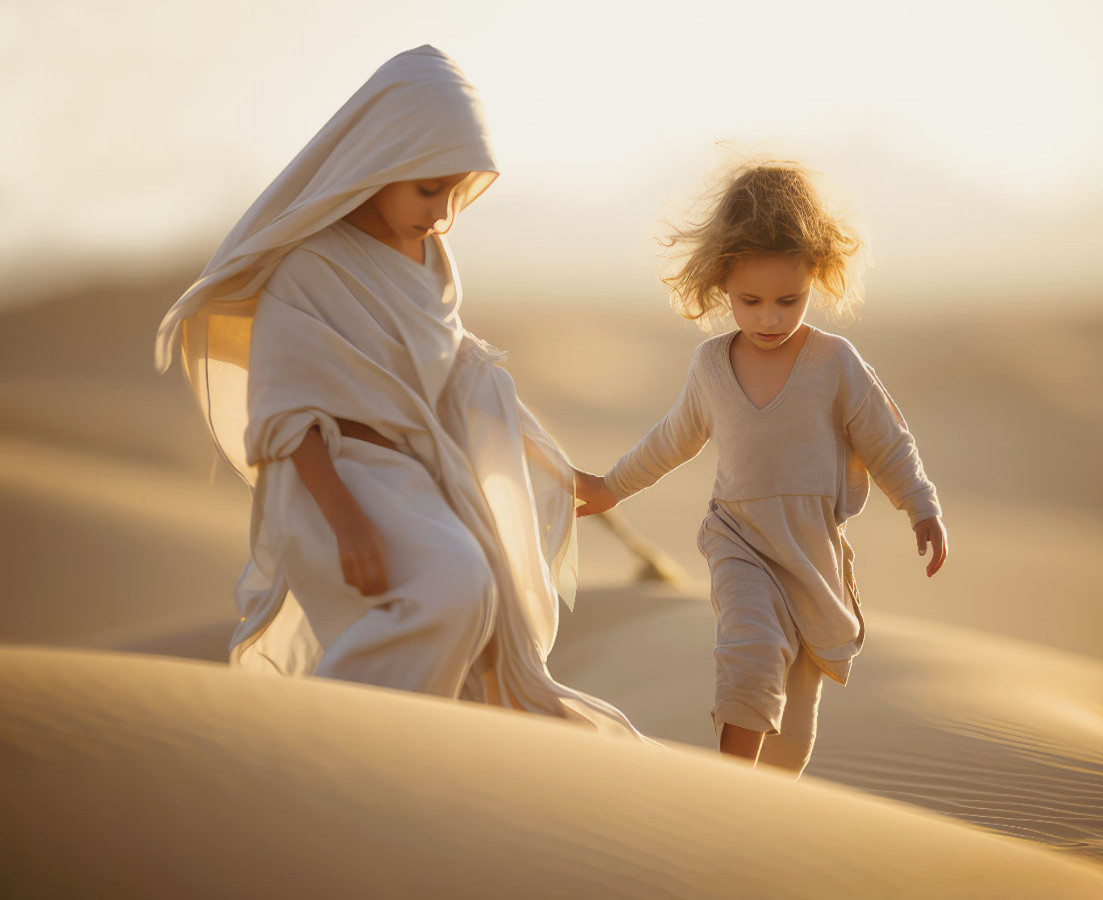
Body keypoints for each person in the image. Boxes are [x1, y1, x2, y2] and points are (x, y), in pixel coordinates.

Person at [155, 45, 639, 736]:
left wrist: (557, 468)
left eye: (453, 192)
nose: (441, 213)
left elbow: (464, 378)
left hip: (413, 478)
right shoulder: (308, 266)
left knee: (476, 606)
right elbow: (283, 413)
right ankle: (313, 740)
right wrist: (348, 521)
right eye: (426, 189)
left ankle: (398, 755)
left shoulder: (432, 259)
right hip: (332, 482)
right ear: (381, 161)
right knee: (454, 587)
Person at [573, 161, 949, 774]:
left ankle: (763, 812)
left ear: (816, 277)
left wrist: (922, 506)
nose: (770, 318)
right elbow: (673, 439)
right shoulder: (710, 366)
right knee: (750, 651)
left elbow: (887, 441)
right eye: (750, 301)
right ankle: (727, 791)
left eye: (789, 300)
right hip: (739, 540)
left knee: (794, 735)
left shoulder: (835, 363)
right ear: (721, 281)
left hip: (812, 553)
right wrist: (611, 486)